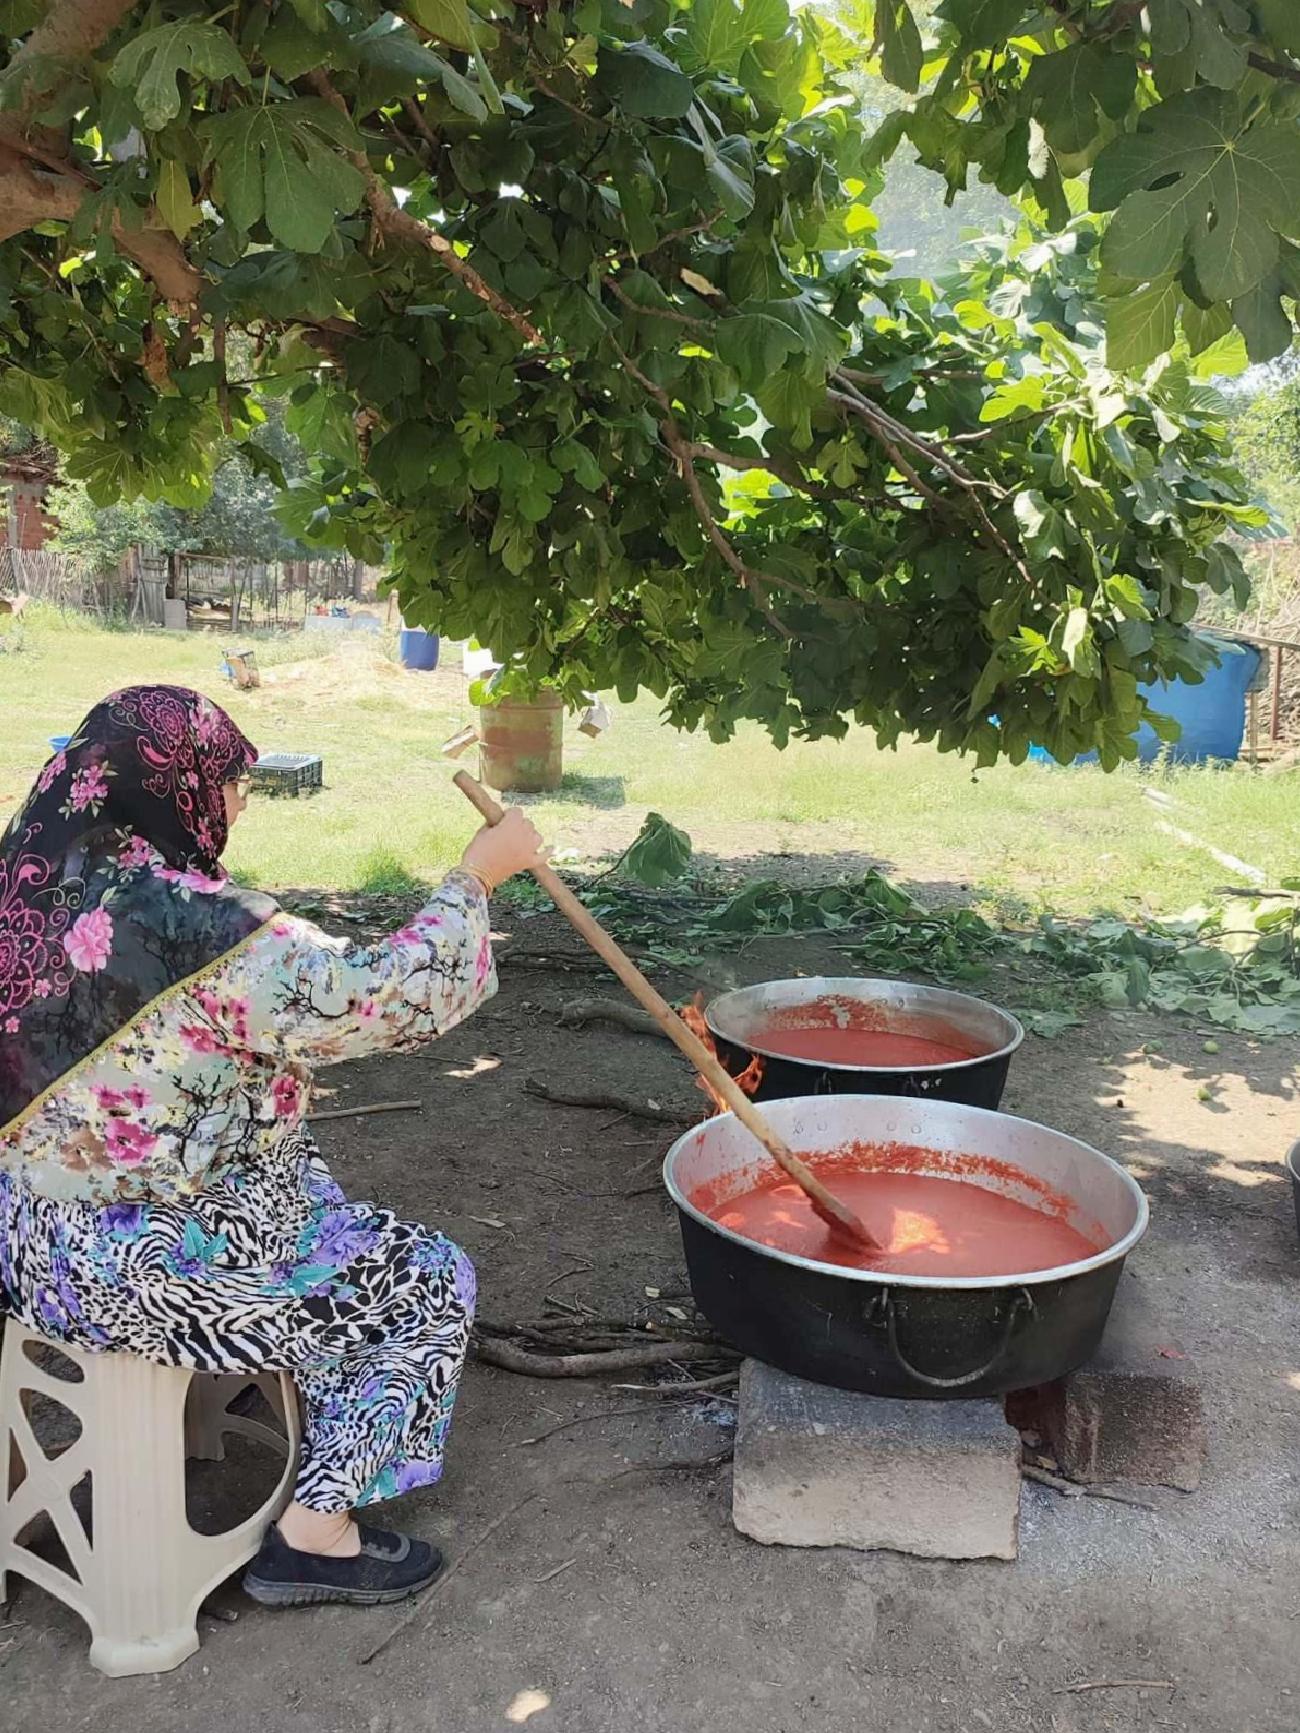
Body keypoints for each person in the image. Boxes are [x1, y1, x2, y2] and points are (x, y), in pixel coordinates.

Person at [0, 684, 545, 1607]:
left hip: (23, 1241)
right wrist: (475, 879)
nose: (242, 801)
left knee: (305, 1179)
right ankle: (315, 1535)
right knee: (425, 1280)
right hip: (138, 1271)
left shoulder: (26, 884)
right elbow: (376, 996)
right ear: (175, 786)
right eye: (230, 781)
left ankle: (261, 1371)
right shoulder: (196, 926)